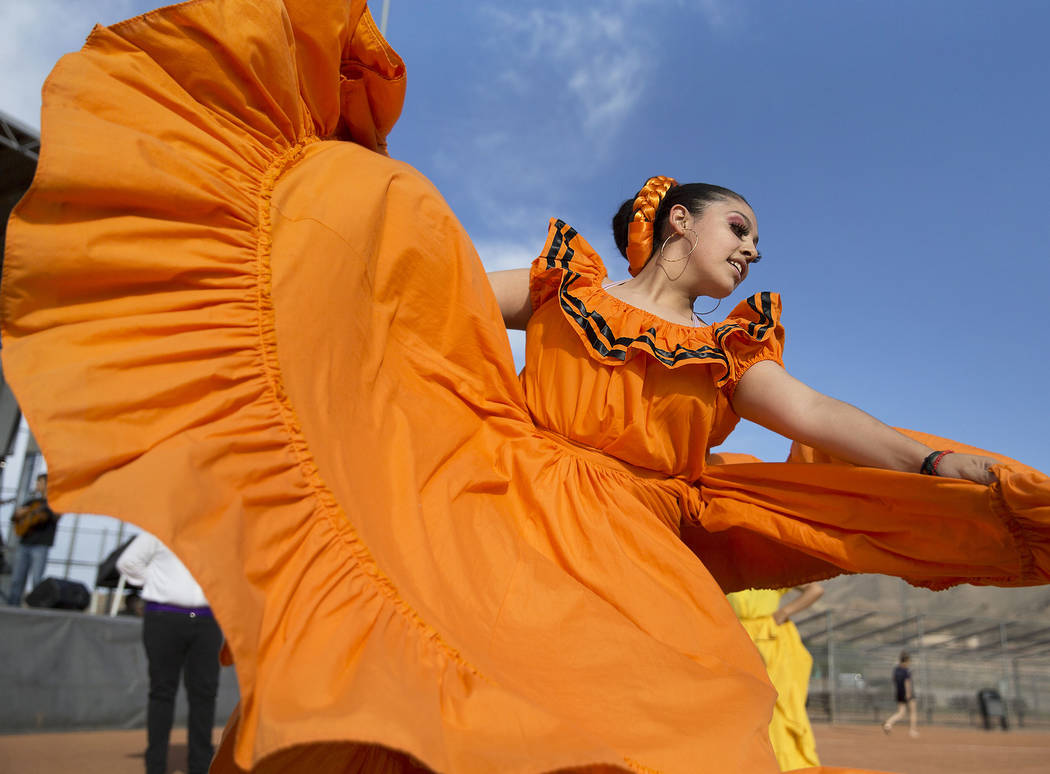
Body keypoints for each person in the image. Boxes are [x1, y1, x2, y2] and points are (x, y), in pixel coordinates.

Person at [2, 1, 1048, 772]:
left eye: (760, 245)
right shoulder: (566, 285)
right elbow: (433, 287)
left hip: (636, 561)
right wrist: (335, 213)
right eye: (740, 230)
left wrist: (923, 460)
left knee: (700, 716)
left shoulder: (731, 352)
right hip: (503, 517)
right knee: (442, 701)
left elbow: (818, 416)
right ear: (678, 221)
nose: (752, 253)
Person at [116, 531, 223, 774]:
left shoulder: (221, 533)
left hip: (206, 619)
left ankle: (200, 766)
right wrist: (154, 580)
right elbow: (127, 562)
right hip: (164, 616)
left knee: (204, 693)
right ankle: (155, 765)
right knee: (162, 691)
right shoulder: (159, 528)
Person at [727, 584, 824, 770]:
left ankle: (787, 765)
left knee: (778, 706)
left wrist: (784, 612)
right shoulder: (723, 569)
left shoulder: (767, 568)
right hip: (733, 637)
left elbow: (815, 590)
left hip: (770, 640)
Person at [6, 474, 60, 606]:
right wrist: (20, 513)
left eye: (40, 482)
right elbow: (14, 518)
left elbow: (56, 517)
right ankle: (13, 605)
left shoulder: (55, 502)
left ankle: (36, 606)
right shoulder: (31, 502)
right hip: (24, 543)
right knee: (17, 578)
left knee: (37, 579)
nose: (37, 486)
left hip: (41, 545)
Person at [882, 652, 919, 738]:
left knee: (901, 713)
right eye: (909, 661)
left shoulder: (896, 669)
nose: (909, 663)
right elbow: (907, 682)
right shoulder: (907, 670)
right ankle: (912, 730)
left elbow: (894, 680)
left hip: (899, 693)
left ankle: (888, 723)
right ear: (906, 661)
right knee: (913, 712)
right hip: (907, 693)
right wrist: (908, 693)